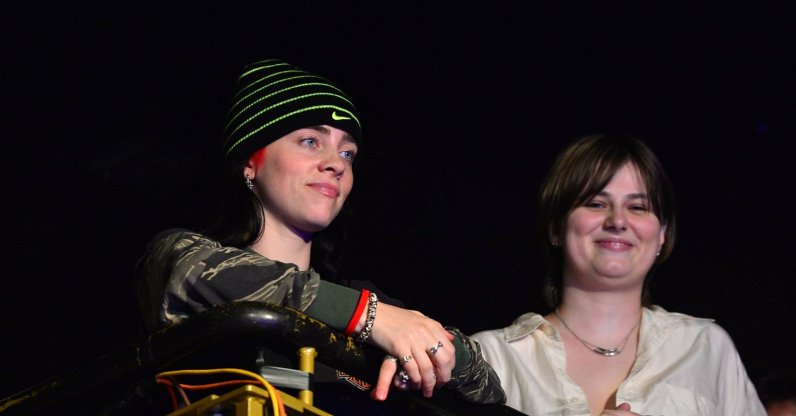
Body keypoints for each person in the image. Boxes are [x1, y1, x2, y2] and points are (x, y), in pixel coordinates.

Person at [135, 58, 504, 406]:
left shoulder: (364, 300)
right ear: (251, 162)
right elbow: (214, 277)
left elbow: (489, 391)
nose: (335, 164)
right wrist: (370, 318)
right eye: (311, 141)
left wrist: (425, 354)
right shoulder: (183, 255)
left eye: (347, 154)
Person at [470, 134, 766, 415]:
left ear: (662, 234)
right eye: (596, 204)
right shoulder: (492, 358)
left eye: (638, 207)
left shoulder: (704, 348)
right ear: (556, 227)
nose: (618, 221)